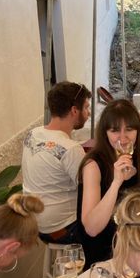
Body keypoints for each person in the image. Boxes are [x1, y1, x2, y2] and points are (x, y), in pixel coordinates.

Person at [78, 99, 140, 268]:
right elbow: (92, 228)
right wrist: (117, 182)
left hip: (139, 249)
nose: (123, 138)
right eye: (115, 131)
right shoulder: (93, 165)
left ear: (138, 131)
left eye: (129, 129)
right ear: (105, 133)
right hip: (105, 256)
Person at [21, 81, 91, 244]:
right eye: (86, 107)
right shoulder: (71, 149)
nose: (88, 113)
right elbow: (91, 190)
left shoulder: (32, 134)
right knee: (116, 221)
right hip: (63, 230)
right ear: (74, 110)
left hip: (34, 224)